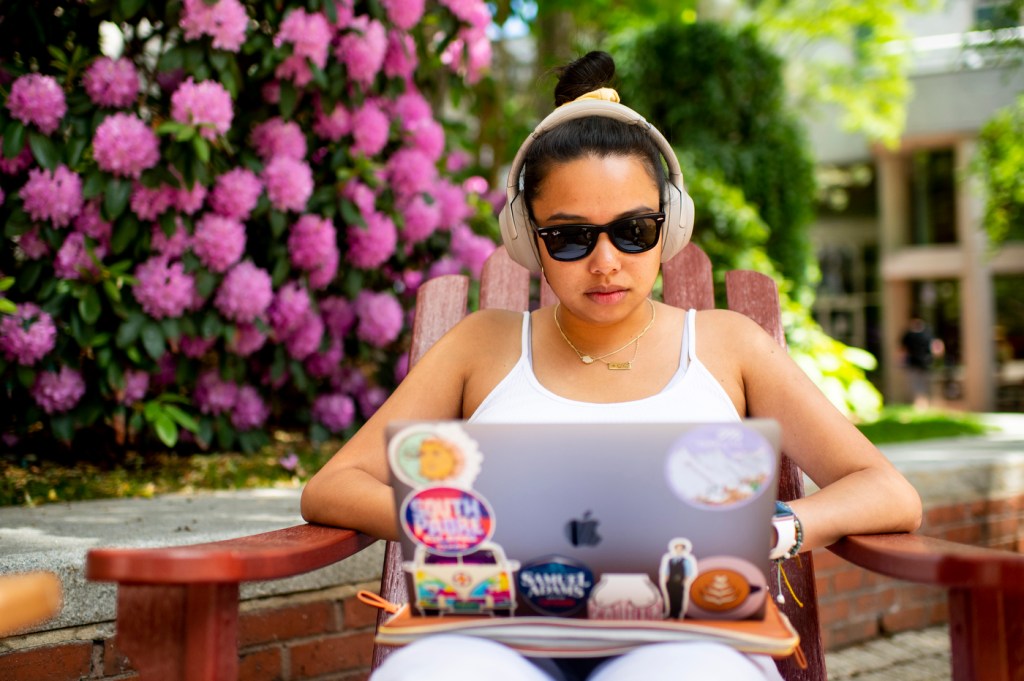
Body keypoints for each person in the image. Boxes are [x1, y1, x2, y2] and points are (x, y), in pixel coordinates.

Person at [301, 51, 922, 681]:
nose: (604, 262)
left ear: (669, 225)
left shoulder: (727, 345)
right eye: (570, 237)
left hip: (688, 637)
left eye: (632, 230)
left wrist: (777, 527)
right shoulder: (479, 345)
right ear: (527, 235)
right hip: (497, 634)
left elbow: (888, 491)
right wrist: (460, 523)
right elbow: (332, 486)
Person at [900, 317, 941, 410]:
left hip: (917, 363)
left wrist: (901, 361)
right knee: (924, 384)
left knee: (917, 385)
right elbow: (937, 347)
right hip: (925, 363)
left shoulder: (909, 335)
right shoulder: (927, 334)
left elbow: (902, 350)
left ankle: (921, 405)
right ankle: (926, 404)